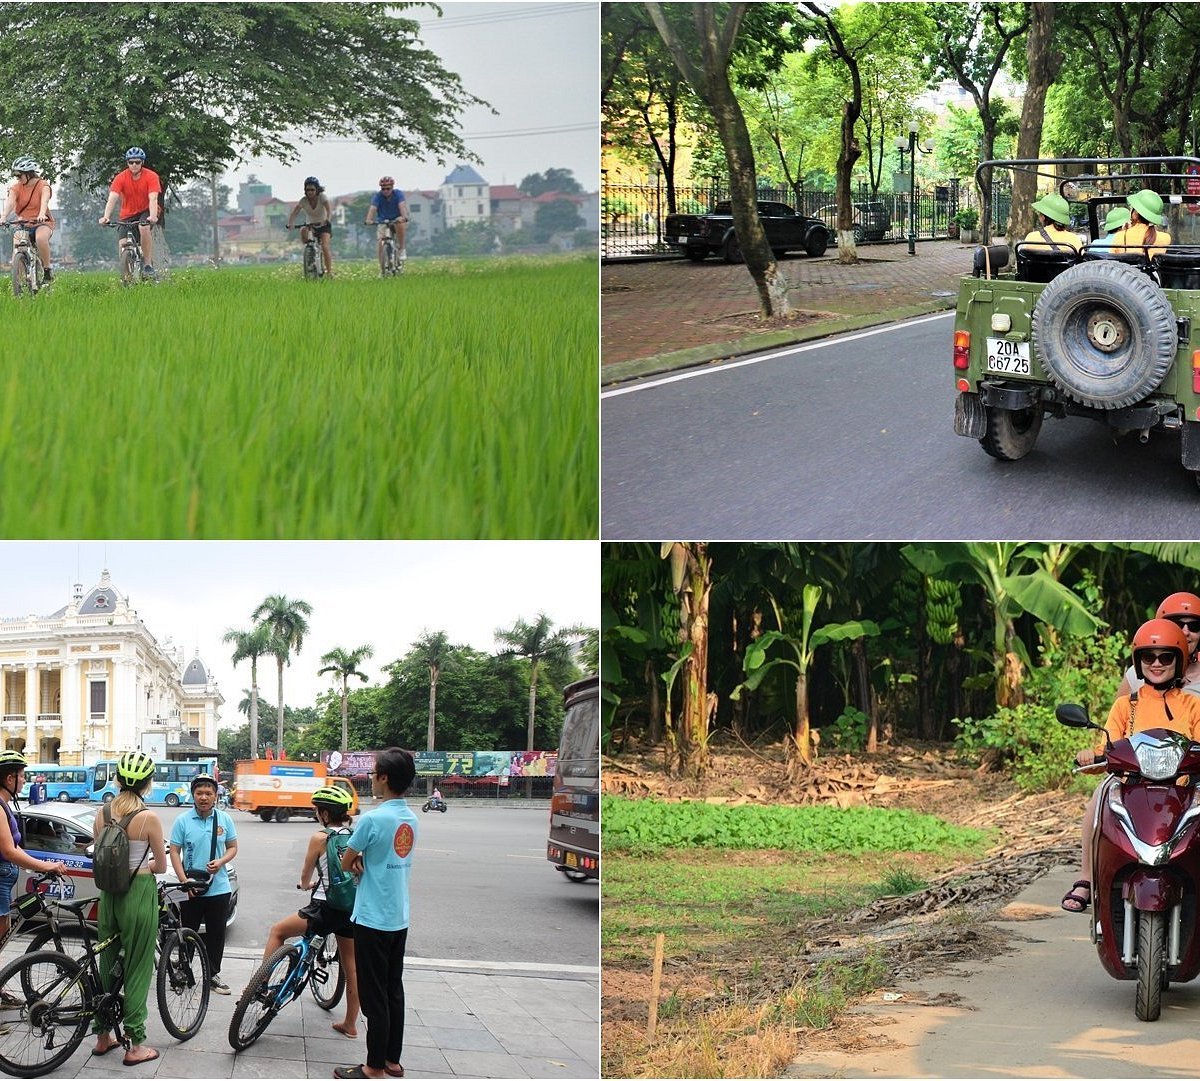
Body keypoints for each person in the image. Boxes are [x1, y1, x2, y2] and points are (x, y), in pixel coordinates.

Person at [1061, 620, 1200, 913]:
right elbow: (1107, 746)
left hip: (1183, 787)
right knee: (1100, 798)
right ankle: (1088, 878)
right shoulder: (1127, 706)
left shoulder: (1192, 705)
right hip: (1131, 786)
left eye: (1166, 657)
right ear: (1138, 662)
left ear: (1179, 660)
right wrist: (1092, 756)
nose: (1157, 663)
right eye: (1149, 657)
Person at [333, 748, 419, 1081]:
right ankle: (393, 1061)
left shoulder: (373, 818)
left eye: (373, 773)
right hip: (399, 915)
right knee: (393, 988)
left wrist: (357, 861)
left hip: (372, 917)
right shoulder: (410, 818)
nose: (371, 779)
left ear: (384, 777)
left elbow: (345, 860)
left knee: (374, 996)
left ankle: (373, 1067)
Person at [259, 786, 360, 1039]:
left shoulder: (320, 837)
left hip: (324, 908)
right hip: (351, 908)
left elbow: (305, 876)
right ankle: (350, 1024)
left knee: (278, 931)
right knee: (352, 967)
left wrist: (306, 885)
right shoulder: (356, 835)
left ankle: (260, 984)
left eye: (317, 811)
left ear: (324, 814)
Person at [90, 751, 166, 1066]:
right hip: (138, 894)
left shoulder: (101, 813)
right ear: (148, 784)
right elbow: (161, 866)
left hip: (108, 895)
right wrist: (142, 864)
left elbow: (98, 854)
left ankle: (103, 1035)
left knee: (107, 963)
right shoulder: (149, 818)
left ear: (117, 780)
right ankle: (135, 1044)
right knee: (136, 968)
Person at [168, 772, 238, 994]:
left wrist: (221, 862)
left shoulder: (224, 819)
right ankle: (183, 970)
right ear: (193, 795)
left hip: (219, 888)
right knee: (187, 932)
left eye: (209, 793)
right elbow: (174, 851)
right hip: (191, 889)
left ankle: (212, 975)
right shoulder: (183, 820)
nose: (204, 797)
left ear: (216, 796)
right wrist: (183, 881)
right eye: (200, 793)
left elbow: (233, 847)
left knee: (216, 935)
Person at [0, 751, 66, 943]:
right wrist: (44, 866)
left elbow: (13, 846)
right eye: (21, 776)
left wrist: (42, 863)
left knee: (5, 931)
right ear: (9, 779)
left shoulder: (5, 806)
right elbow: (8, 851)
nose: (24, 780)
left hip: (5, 882)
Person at [1115, 592, 1200, 698]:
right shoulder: (1140, 671)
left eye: (1194, 626)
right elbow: (1119, 712)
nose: (1186, 632)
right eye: (1178, 625)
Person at [98, 147, 162, 277]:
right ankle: (126, 275)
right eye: (130, 162)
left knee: (143, 228)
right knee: (122, 244)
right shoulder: (120, 178)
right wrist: (106, 217)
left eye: (137, 162)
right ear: (127, 163)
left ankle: (148, 265)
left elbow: (153, 198)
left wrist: (153, 216)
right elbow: (112, 198)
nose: (134, 165)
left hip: (147, 210)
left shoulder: (151, 176)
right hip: (128, 214)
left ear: (142, 162)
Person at [3, 158, 55, 283]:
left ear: (29, 173)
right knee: (17, 248)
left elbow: (45, 200)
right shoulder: (16, 188)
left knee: (40, 238)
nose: (17, 178)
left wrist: (42, 213)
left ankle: (47, 271)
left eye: (19, 175)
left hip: (41, 222)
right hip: (23, 223)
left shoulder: (43, 185)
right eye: (15, 175)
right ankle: (19, 281)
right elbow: (10, 202)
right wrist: (4, 216)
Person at [286, 176, 334, 277]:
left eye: (312, 189)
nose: (310, 192)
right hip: (311, 225)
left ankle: (329, 273)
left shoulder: (322, 197)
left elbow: (329, 210)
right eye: (308, 190)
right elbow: (295, 212)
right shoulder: (303, 201)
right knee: (303, 230)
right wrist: (290, 223)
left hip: (323, 225)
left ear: (317, 190)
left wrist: (328, 220)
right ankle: (309, 250)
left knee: (325, 247)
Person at [1108, 188, 1172, 258]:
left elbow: (1112, 262)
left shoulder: (1119, 237)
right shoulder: (1166, 238)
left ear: (1135, 213)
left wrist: (1125, 231)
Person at [364, 176, 408, 269]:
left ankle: (401, 248)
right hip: (383, 221)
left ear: (392, 187)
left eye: (388, 188)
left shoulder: (398, 194)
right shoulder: (378, 196)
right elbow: (373, 208)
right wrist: (369, 220)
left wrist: (404, 217)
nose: (385, 191)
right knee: (380, 242)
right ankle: (382, 268)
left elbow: (402, 206)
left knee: (400, 224)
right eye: (383, 189)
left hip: (396, 219)